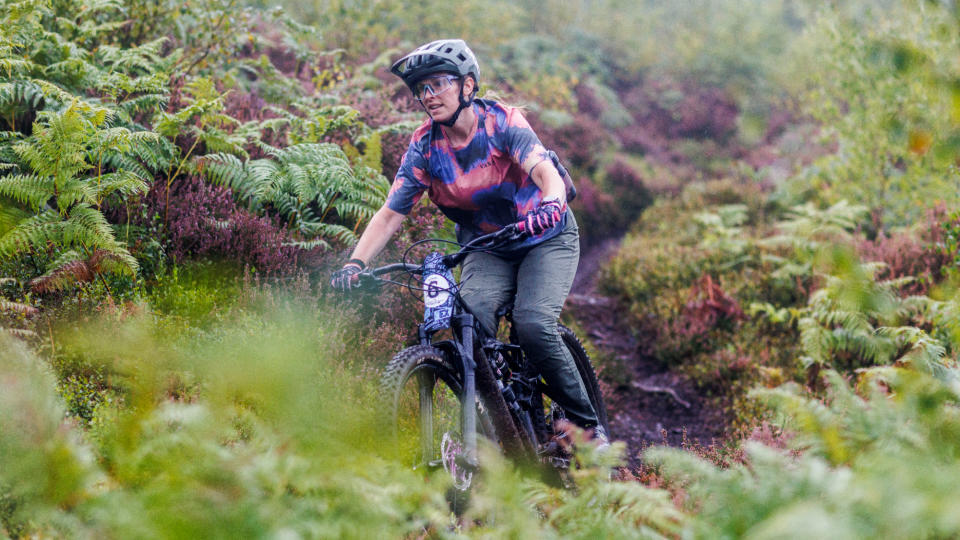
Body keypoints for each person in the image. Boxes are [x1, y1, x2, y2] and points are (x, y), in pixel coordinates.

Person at [330, 39, 606, 442]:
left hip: (545, 235)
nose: (429, 95)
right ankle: (504, 428)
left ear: (468, 86)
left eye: (438, 83)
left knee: (532, 323)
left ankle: (588, 428)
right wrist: (355, 264)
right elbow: (390, 214)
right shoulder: (425, 146)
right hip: (488, 247)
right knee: (470, 324)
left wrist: (550, 204)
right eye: (422, 89)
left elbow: (544, 172)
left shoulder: (503, 123)